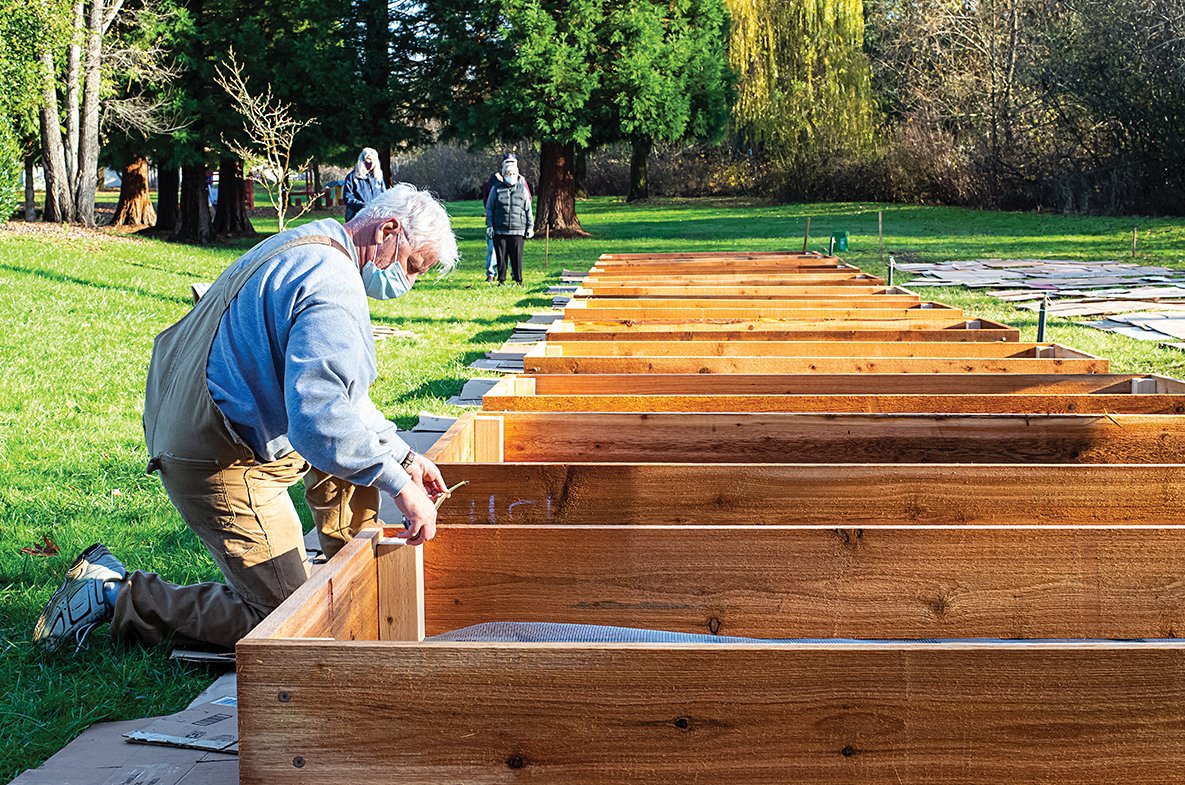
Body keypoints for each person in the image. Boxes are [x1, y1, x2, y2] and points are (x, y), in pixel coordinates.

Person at [33, 183, 460, 652]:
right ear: (387, 231)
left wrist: (404, 458)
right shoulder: (333, 285)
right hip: (214, 454)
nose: (408, 282)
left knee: (359, 458)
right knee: (288, 621)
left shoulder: (313, 243)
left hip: (208, 423)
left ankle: (354, 581)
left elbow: (344, 399)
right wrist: (398, 486)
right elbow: (318, 421)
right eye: (412, 266)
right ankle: (115, 595)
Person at [480, 154, 531, 282]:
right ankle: (493, 275)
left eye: (513, 162)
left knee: (515, 255)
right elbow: (488, 202)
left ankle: (516, 277)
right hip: (498, 226)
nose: (511, 174)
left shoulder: (522, 182)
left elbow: (528, 204)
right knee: (495, 253)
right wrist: (490, 224)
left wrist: (529, 226)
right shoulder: (495, 181)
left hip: (517, 226)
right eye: (508, 162)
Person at [342, 147, 386, 221]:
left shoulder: (378, 178)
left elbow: (384, 195)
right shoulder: (352, 177)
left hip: (375, 217)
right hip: (356, 217)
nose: (371, 163)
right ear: (362, 161)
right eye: (369, 160)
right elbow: (348, 197)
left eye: (374, 160)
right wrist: (363, 206)